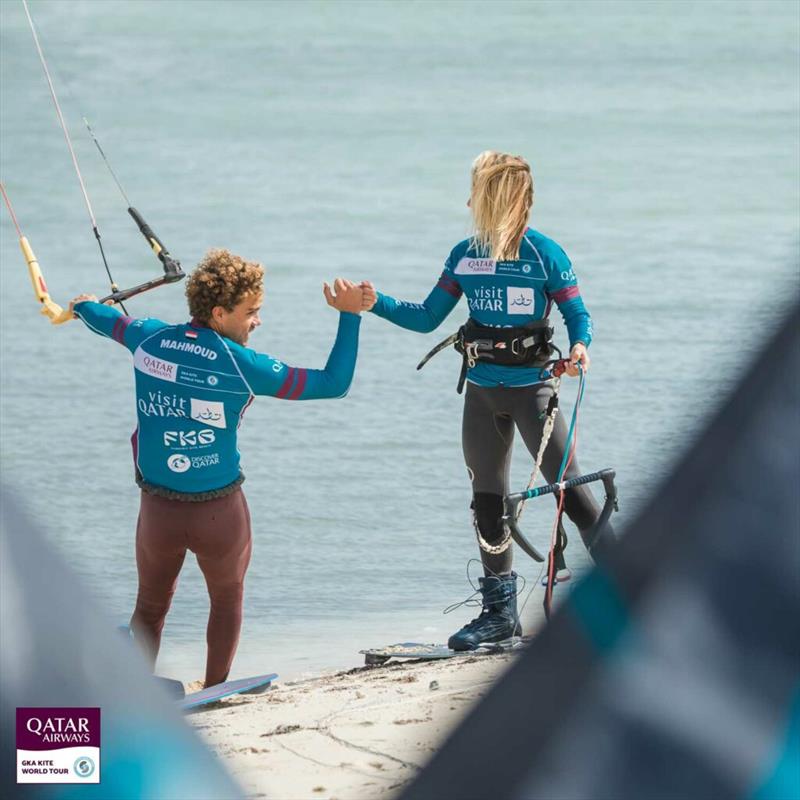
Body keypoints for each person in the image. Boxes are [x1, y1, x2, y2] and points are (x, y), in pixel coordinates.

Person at [69, 248, 374, 686]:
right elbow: (333, 384)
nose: (257, 321)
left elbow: (107, 320)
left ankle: (135, 692)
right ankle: (213, 691)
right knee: (226, 601)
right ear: (218, 312)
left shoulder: (148, 338)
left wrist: (81, 306)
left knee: (150, 609)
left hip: (158, 513)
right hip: (220, 515)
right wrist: (350, 316)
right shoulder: (245, 365)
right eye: (251, 312)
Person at [362, 151, 615, 651]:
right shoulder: (464, 255)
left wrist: (581, 349)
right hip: (481, 394)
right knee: (487, 504)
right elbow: (427, 316)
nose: (468, 200)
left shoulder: (544, 254)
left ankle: (633, 593)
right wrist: (375, 304)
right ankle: (500, 613)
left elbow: (578, 315)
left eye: (475, 190)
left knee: (573, 494)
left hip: (533, 392)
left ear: (497, 197)